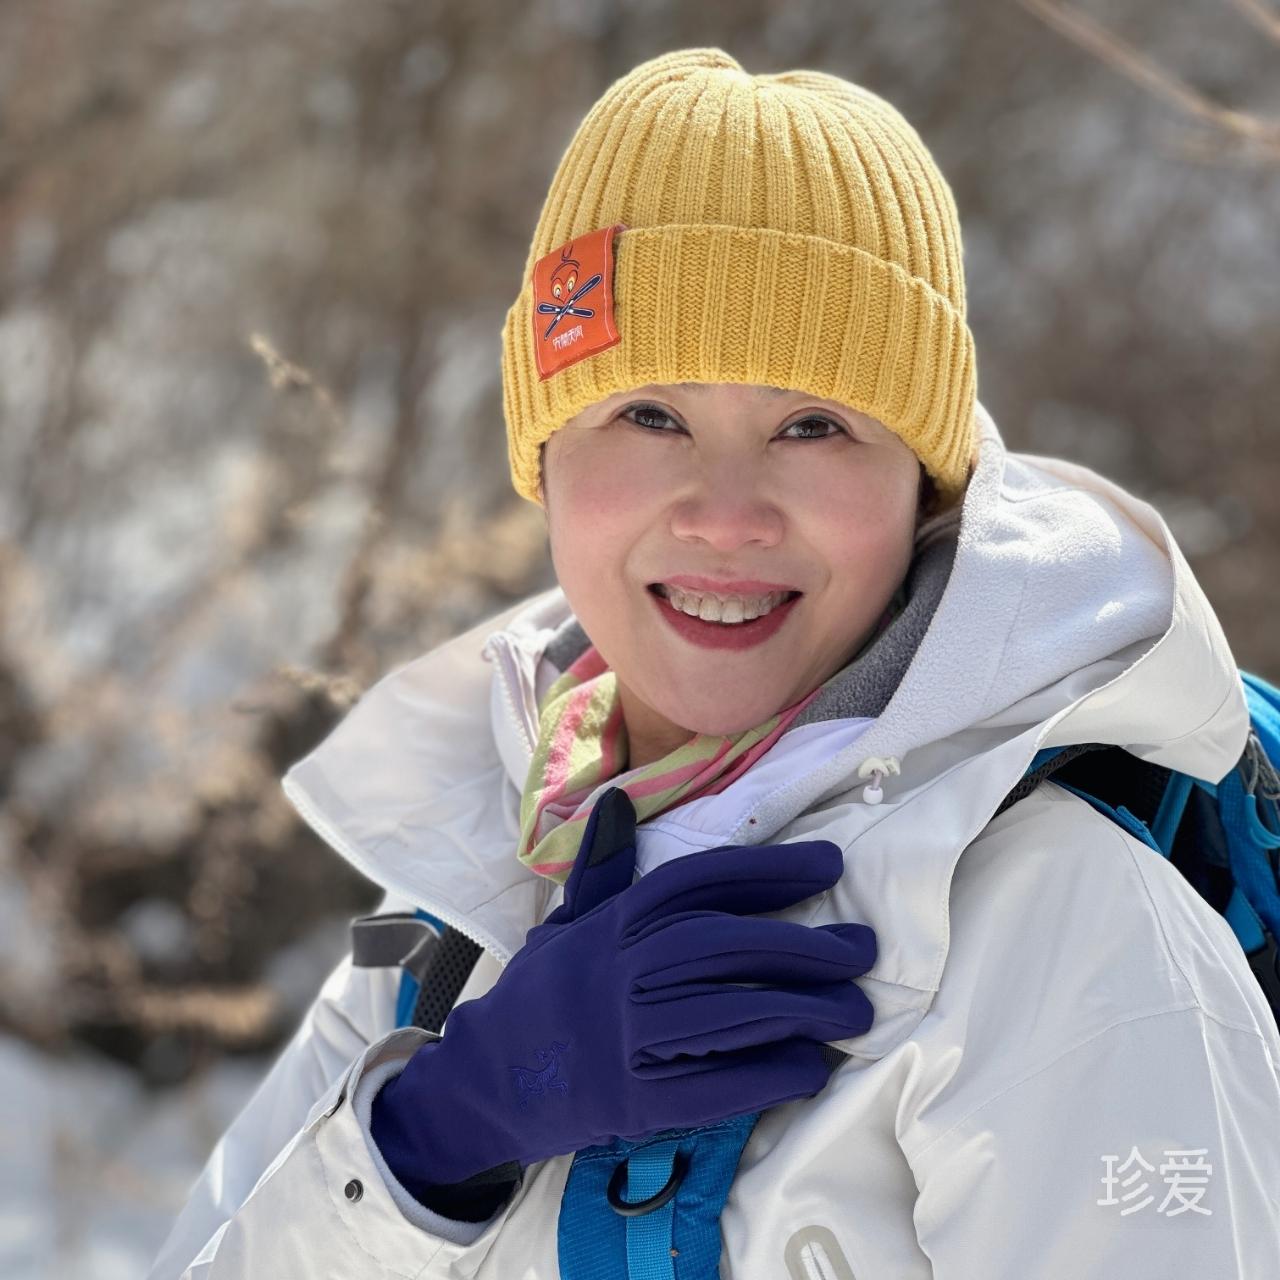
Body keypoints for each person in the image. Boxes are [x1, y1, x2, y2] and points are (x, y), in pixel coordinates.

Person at [147, 47, 1280, 1278]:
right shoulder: (455, 900)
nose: (725, 516)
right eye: (649, 415)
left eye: (813, 425)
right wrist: (426, 1142)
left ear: (924, 490)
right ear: (542, 459)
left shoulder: (1067, 928)